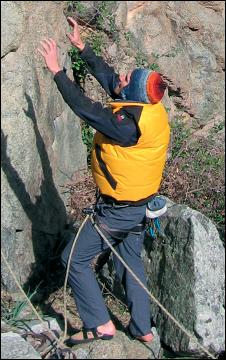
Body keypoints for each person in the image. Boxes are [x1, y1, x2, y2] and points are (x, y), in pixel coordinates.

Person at [37, 17, 170, 345]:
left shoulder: (126, 127)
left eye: (128, 79)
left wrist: (57, 71)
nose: (121, 78)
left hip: (117, 211)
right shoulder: (148, 110)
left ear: (135, 94)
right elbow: (111, 79)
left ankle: (100, 324)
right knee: (129, 262)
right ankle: (143, 329)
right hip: (140, 209)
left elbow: (86, 108)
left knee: (74, 259)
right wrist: (82, 47)